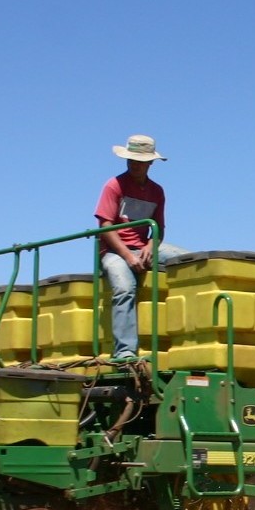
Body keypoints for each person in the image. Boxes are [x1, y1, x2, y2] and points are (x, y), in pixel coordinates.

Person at [95, 134, 187, 359]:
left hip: (143, 246)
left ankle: (188, 340)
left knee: (190, 262)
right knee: (125, 288)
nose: (134, 164)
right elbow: (105, 224)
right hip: (114, 251)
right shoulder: (114, 185)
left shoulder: (157, 191)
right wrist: (127, 255)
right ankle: (125, 352)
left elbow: (159, 228)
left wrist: (150, 245)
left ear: (150, 163)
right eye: (131, 159)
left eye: (140, 160)